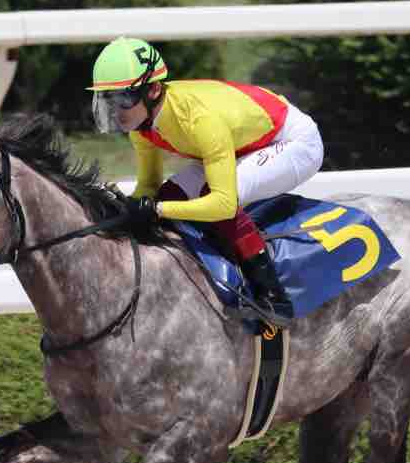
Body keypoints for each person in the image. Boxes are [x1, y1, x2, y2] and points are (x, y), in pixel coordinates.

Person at [88, 36, 324, 326]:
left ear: (153, 90)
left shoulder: (198, 120)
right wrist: (129, 206)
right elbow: (150, 185)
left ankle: (274, 298)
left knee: (212, 199)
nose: (116, 111)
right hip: (242, 140)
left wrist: (157, 210)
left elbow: (223, 204)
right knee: (170, 195)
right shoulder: (142, 124)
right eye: (108, 99)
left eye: (123, 98)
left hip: (293, 141)